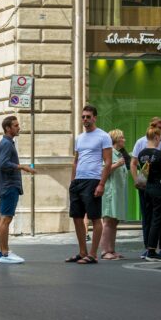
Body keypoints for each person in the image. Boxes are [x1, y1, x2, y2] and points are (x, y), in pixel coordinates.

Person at [66, 105, 112, 265]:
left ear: (95, 117)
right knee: (77, 218)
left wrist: (101, 184)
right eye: (83, 116)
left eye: (88, 116)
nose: (85, 119)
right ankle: (82, 252)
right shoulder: (79, 138)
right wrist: (72, 181)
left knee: (94, 217)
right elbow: (76, 161)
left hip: (93, 180)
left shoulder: (103, 136)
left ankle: (93, 254)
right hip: (78, 181)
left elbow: (107, 162)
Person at [131, 117, 161, 259]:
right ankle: (149, 248)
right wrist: (137, 181)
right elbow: (133, 163)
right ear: (153, 129)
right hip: (152, 185)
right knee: (150, 217)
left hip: (157, 185)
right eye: (159, 128)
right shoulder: (141, 143)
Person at [0, 115, 36, 264]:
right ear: (8, 128)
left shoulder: (6, 143)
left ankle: (3, 252)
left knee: (3, 219)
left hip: (6, 186)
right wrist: (22, 167)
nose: (19, 127)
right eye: (16, 125)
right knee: (5, 219)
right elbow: (3, 164)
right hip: (9, 186)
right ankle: (5, 253)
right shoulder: (6, 144)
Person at [98, 129, 128, 260]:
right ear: (116, 139)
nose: (124, 140)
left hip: (117, 192)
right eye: (122, 138)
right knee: (108, 221)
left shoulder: (119, 154)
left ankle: (111, 249)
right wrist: (117, 165)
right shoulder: (109, 153)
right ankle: (104, 251)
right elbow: (103, 170)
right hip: (110, 192)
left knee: (114, 222)